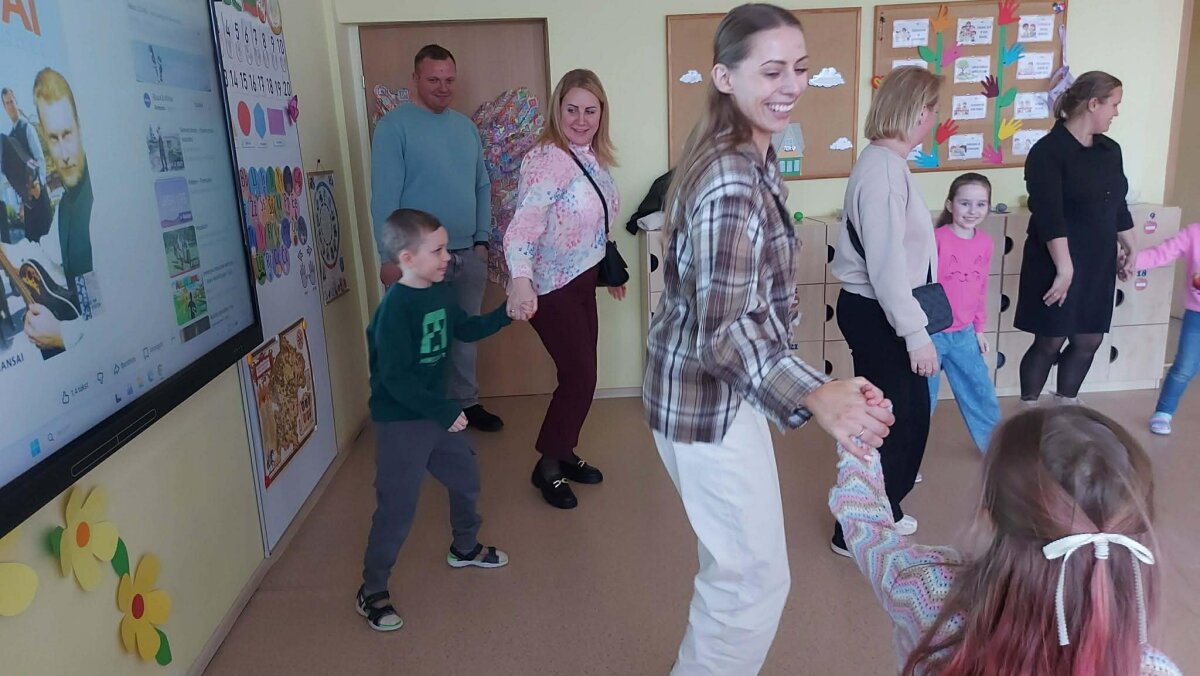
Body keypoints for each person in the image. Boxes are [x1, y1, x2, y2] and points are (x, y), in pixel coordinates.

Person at [643, 5, 895, 674]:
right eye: (773, 70)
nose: (792, 86)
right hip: (706, 401)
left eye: (801, 69)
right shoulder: (730, 179)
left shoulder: (751, 154)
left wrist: (820, 389)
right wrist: (816, 394)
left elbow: (744, 310)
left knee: (742, 571)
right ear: (725, 77)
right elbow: (725, 330)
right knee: (748, 582)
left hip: (725, 393)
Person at [830, 405, 1179, 676]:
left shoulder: (927, 588)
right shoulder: (1152, 669)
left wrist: (858, 440)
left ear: (987, 518)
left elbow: (867, 529)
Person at [356, 208, 512, 632]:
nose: (449, 257)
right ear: (407, 258)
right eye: (438, 250)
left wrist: (507, 314)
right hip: (402, 420)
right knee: (397, 508)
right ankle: (372, 589)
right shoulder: (395, 310)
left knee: (465, 477)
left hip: (435, 413)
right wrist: (446, 410)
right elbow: (395, 380)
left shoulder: (440, 292)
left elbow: (466, 329)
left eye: (447, 248)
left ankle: (464, 547)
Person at [828, 65, 943, 555]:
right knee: (896, 423)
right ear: (916, 112)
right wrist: (916, 334)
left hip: (883, 310)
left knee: (901, 418)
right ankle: (853, 530)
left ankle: (884, 509)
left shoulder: (887, 164)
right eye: (932, 109)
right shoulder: (882, 171)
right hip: (880, 313)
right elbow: (887, 265)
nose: (933, 119)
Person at [504, 69, 623, 509]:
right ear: (557, 110)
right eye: (572, 109)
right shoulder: (546, 159)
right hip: (551, 286)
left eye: (590, 110)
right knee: (580, 377)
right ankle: (548, 465)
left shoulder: (593, 157)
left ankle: (565, 451)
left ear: (601, 113)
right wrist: (520, 282)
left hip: (582, 282)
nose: (581, 119)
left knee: (583, 375)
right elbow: (522, 228)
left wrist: (612, 274)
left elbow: (597, 221)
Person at [369, 44, 502, 431]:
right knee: (419, 340)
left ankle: (465, 404)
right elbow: (385, 199)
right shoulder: (393, 128)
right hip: (417, 260)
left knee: (464, 335)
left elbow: (482, 186)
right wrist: (389, 257)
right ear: (415, 79)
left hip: (467, 252)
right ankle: (422, 410)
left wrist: (481, 241)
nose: (443, 88)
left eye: (449, 80)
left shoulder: (465, 128)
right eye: (433, 80)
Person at [1015, 71, 1135, 406]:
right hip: (1055, 259)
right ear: (1093, 104)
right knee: (1050, 340)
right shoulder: (1048, 152)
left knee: (1088, 339)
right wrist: (1064, 269)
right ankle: (1028, 412)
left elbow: (1117, 204)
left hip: (1097, 261)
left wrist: (1130, 247)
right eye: (1114, 104)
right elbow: (1049, 216)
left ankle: (1065, 407)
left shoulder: (1110, 150)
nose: (1116, 112)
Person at [16, 68, 91, 353]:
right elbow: (45, 255)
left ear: (80, 127)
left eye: (67, 134)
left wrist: (61, 335)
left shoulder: (102, 199)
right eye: (53, 139)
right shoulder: (66, 209)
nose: (64, 154)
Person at [928, 173, 1001, 453]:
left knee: (981, 392)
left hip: (965, 333)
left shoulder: (985, 243)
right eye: (965, 203)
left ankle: (995, 450)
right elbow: (920, 286)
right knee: (923, 400)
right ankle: (902, 460)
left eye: (981, 204)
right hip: (931, 334)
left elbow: (980, 287)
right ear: (950, 205)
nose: (972, 211)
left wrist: (979, 328)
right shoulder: (936, 239)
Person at [1134, 222, 1200, 435]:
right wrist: (1131, 260)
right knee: (1184, 368)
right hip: (1196, 316)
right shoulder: (1194, 233)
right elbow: (1162, 253)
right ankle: (1163, 412)